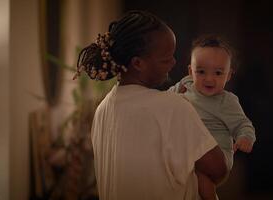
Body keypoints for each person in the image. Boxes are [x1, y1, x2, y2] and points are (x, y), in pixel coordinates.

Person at [74, 11, 227, 200]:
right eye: (165, 59)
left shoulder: (102, 110)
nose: (173, 62)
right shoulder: (172, 107)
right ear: (137, 63)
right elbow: (218, 169)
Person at [169, 35, 256, 199]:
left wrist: (245, 137)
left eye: (218, 73)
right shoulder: (184, 85)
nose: (209, 79)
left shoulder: (227, 101)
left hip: (216, 155)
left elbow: (243, 124)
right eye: (201, 71)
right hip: (189, 150)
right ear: (190, 71)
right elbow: (163, 101)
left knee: (201, 176)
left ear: (228, 75)